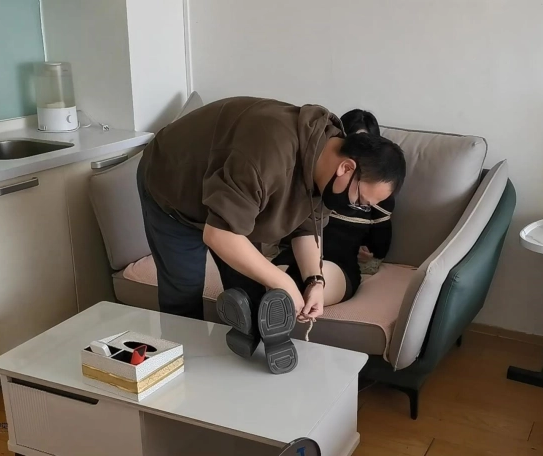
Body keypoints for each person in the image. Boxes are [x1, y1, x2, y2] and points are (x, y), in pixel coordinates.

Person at [137, 97, 406, 374]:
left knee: (248, 289)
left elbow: (307, 228)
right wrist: (284, 282)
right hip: (173, 183)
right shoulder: (270, 153)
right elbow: (219, 234)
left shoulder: (326, 166)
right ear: (346, 168)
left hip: (234, 198)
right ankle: (183, 378)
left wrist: (315, 281)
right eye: (360, 200)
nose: (357, 208)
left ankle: (234, 367)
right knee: (184, 293)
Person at [272, 109, 394, 306]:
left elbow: (380, 246)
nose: (356, 158)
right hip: (296, 254)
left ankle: (278, 305)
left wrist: (370, 254)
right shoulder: (314, 183)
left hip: (339, 263)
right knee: (271, 280)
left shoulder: (376, 196)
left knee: (301, 288)